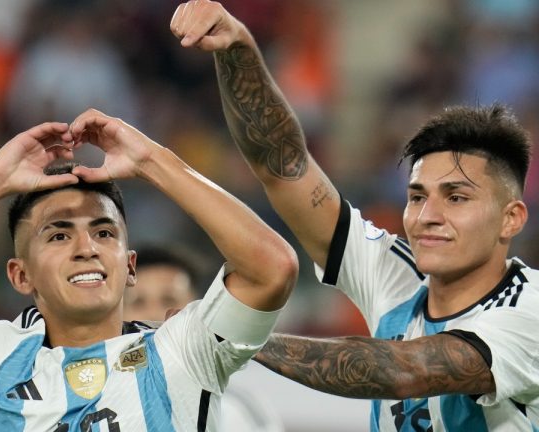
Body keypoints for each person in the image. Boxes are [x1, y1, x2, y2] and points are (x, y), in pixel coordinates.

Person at [171, 1, 539, 430]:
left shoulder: (529, 308)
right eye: (417, 197)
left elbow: (404, 371)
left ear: (511, 218)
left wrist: (233, 337)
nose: (428, 216)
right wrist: (237, 48)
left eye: (456, 198)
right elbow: (285, 168)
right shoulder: (395, 274)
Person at [0, 108, 298, 430]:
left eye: (104, 233)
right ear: (20, 275)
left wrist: (152, 161)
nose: (87, 248)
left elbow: (271, 268)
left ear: (130, 266)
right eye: (59, 235)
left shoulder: (182, 350)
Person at [123, 243, 287, 431]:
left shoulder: (237, 411)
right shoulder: (99, 400)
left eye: (168, 300)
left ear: (197, 309)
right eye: (138, 302)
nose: (153, 314)